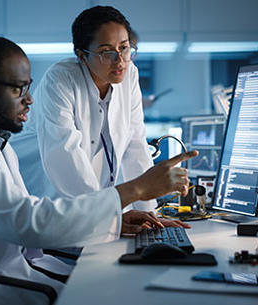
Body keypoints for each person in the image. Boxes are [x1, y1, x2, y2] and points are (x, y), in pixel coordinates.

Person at [0, 36, 197, 304]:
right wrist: (137, 189)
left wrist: (112, 219)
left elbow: (29, 216)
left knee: (128, 281)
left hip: (18, 271)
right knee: (126, 293)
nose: (29, 99)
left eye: (28, 87)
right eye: (19, 89)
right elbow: (26, 222)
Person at [11, 6, 164, 213]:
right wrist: (106, 214)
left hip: (89, 201)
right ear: (82, 55)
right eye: (105, 52)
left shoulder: (130, 75)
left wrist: (149, 213)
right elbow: (65, 155)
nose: (119, 60)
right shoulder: (60, 80)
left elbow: (135, 145)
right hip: (45, 194)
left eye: (125, 48)